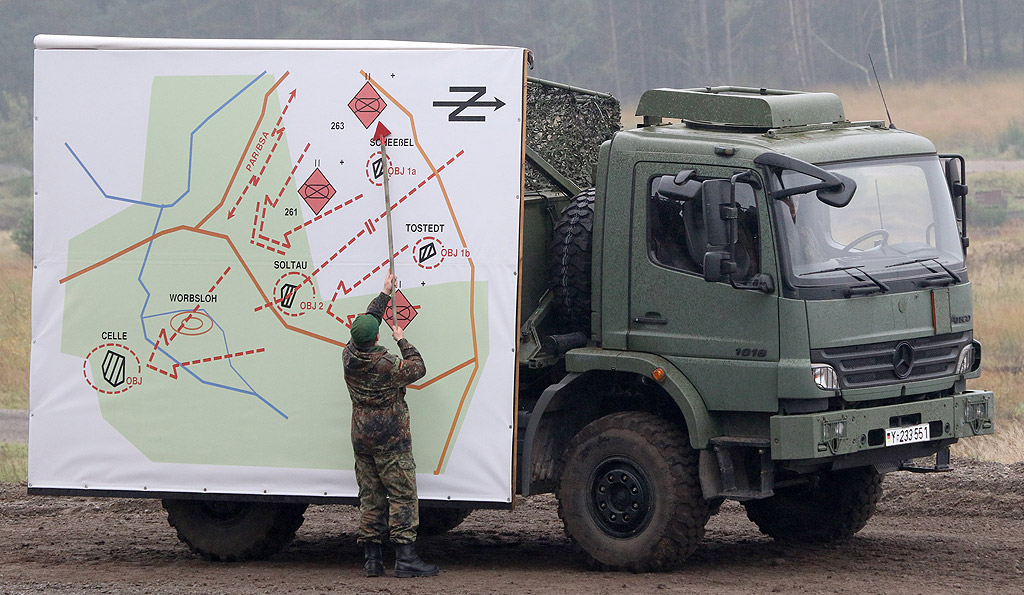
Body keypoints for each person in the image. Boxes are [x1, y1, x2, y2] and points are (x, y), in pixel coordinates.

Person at [343, 270, 439, 578]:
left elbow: (366, 322)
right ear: (377, 338)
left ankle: (373, 560)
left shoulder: (349, 356)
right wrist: (403, 339)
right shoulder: (388, 365)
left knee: (370, 495)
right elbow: (419, 367)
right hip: (390, 437)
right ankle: (405, 558)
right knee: (401, 494)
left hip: (361, 434)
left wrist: (385, 294)